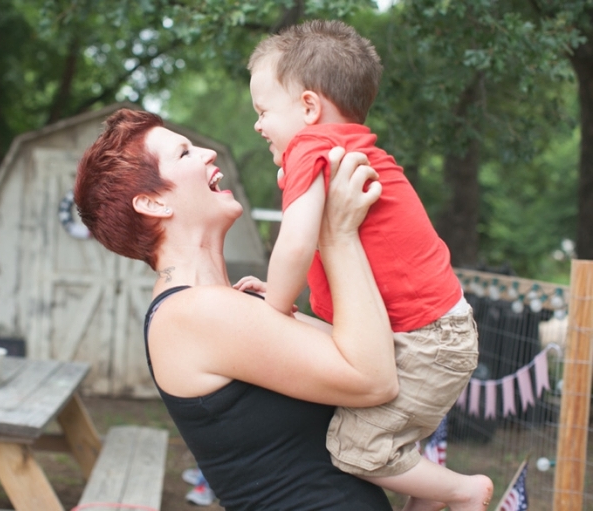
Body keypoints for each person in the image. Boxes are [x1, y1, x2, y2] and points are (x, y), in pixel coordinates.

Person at [75, 107, 398, 510]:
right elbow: (374, 379)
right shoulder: (193, 313)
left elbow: (377, 353)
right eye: (184, 153)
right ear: (153, 203)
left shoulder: (231, 302)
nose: (208, 153)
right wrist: (338, 234)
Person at [235, 19, 493, 511]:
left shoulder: (309, 147)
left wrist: (275, 307)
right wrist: (284, 300)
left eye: (263, 111)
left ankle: (465, 492)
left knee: (358, 452)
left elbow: (295, 241)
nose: (258, 125)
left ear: (308, 107)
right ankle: (435, 497)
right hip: (431, 332)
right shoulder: (352, 149)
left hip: (422, 340)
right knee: (391, 448)